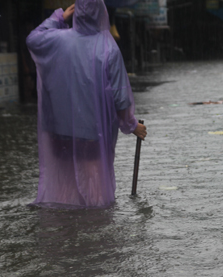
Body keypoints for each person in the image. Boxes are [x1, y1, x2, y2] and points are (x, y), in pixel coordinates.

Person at [26, 0, 147, 209]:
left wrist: (58, 18)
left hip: (58, 135)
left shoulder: (56, 40)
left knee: (66, 195)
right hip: (92, 138)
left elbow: (32, 39)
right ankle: (91, 239)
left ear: (77, 13)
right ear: (102, 14)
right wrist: (132, 126)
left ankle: (64, 235)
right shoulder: (108, 48)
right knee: (95, 201)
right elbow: (120, 99)